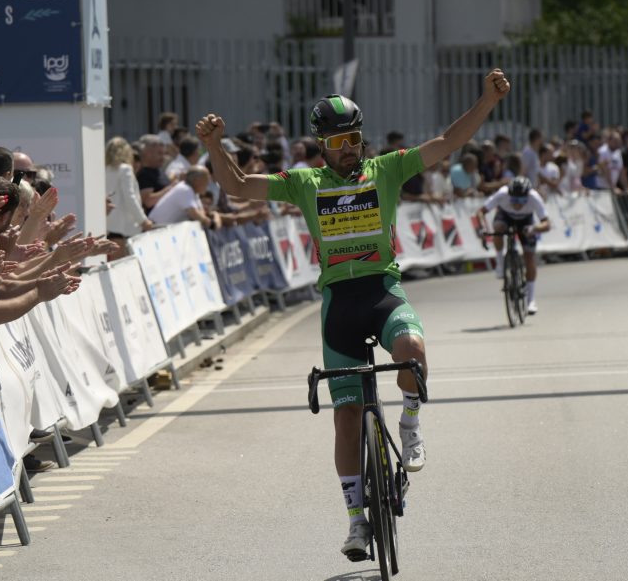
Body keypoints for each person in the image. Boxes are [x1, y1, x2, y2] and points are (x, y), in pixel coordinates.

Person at [196, 69, 511, 560]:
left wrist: (487, 101)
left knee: (412, 349)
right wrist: (216, 145)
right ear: (322, 145)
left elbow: (449, 141)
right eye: (340, 141)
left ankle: (409, 424)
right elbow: (237, 186)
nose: (350, 148)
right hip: (339, 305)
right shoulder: (305, 183)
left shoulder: (384, 170)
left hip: (381, 290)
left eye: (356, 138)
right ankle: (357, 521)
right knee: (345, 420)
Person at [476, 176, 550, 315]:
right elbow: (481, 212)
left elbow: (547, 223)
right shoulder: (502, 193)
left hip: (526, 221)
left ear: (527, 196)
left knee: (529, 257)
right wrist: (482, 228)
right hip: (505, 216)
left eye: (521, 200)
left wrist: (534, 229)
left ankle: (531, 300)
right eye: (514, 200)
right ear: (509, 195)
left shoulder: (534, 197)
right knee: (498, 227)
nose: (517, 204)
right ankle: (500, 262)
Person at [105, 137, 153, 244]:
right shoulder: (125, 169)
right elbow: (130, 196)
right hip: (124, 227)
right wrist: (143, 220)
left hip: (108, 224)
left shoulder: (104, 169)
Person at [148, 166, 215, 227]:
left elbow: (201, 212)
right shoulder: (185, 189)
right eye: (206, 180)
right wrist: (211, 224)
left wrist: (206, 219)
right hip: (154, 230)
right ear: (196, 181)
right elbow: (194, 214)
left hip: (164, 231)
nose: (208, 184)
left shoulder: (193, 192)